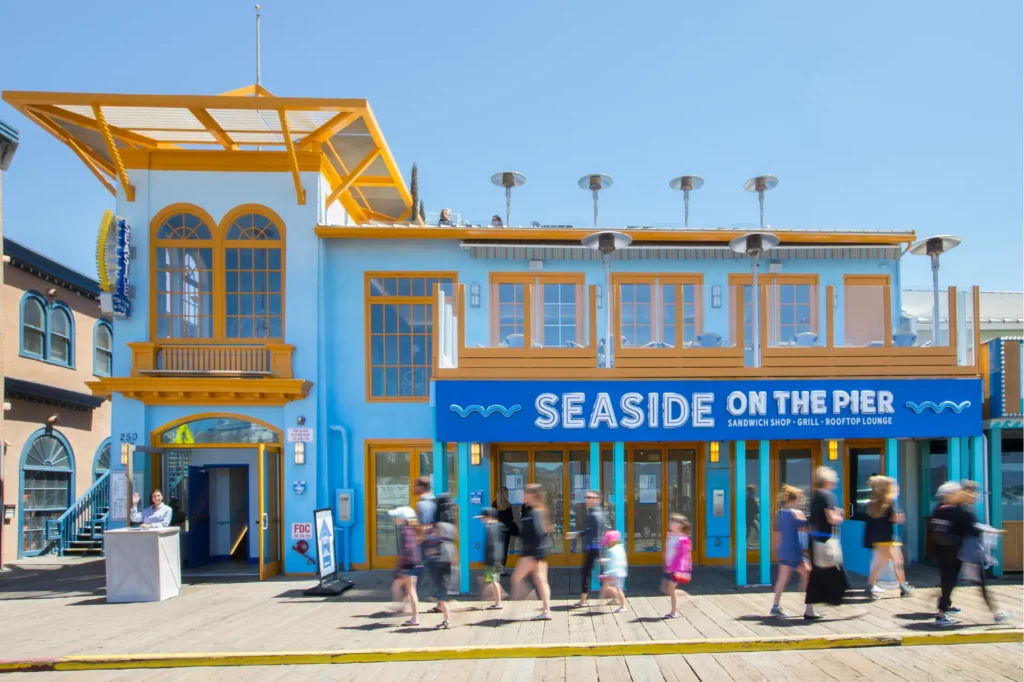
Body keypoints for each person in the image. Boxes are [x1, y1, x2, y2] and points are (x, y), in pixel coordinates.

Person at [931, 481, 1007, 626]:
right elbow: (972, 529)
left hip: (944, 551)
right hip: (960, 551)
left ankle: (942, 611)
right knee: (960, 582)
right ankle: (942, 614)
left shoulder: (939, 509)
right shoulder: (960, 511)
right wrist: (989, 531)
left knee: (949, 582)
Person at [804, 466, 849, 619]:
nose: (836, 481)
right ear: (827, 481)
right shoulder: (828, 496)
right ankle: (838, 604)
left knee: (817, 575)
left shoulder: (816, 495)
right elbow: (832, 519)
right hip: (825, 540)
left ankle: (810, 609)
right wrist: (840, 516)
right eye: (834, 478)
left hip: (815, 539)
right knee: (837, 574)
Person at [864, 476, 913, 599]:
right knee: (898, 562)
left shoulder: (873, 503)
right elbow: (898, 519)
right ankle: (903, 588)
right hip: (889, 537)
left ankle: (871, 587)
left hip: (878, 537)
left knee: (879, 563)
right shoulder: (891, 501)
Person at [511, 483, 553, 620]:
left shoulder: (534, 513)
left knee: (516, 579)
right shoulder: (540, 510)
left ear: (533, 495)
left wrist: (530, 553)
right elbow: (546, 531)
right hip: (540, 553)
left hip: (531, 554)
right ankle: (546, 611)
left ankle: (524, 603)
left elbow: (537, 533)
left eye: (526, 493)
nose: (523, 496)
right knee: (542, 581)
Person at [770, 485, 810, 617]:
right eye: (800, 500)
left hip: (783, 550)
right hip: (793, 550)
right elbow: (805, 529)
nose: (801, 503)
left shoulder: (779, 513)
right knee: (808, 574)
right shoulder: (796, 513)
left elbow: (778, 535)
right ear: (794, 499)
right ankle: (808, 606)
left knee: (782, 579)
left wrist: (777, 550)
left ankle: (775, 606)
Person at [570, 490, 605, 608]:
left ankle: (583, 600)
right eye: (587, 497)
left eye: (591, 497)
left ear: (596, 500)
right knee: (596, 573)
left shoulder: (594, 514)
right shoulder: (595, 513)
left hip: (593, 548)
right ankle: (615, 597)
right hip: (594, 548)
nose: (587, 499)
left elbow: (595, 532)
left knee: (585, 572)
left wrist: (578, 534)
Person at [388, 506, 422, 626]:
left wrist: (403, 567)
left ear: (402, 518)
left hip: (409, 565)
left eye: (396, 517)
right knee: (408, 589)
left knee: (411, 591)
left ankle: (414, 617)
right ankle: (404, 608)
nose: (394, 519)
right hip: (414, 563)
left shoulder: (406, 531)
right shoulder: (412, 529)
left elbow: (408, 550)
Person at [422, 517, 457, 629]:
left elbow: (442, 562)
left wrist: (432, 558)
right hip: (445, 577)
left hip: (441, 578)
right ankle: (446, 620)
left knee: (442, 600)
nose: (435, 533)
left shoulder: (442, 545)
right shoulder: (450, 545)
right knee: (442, 599)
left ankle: (447, 621)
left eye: (436, 531)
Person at [661, 514, 692, 619]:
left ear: (680, 525)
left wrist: (676, 567)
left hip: (677, 568)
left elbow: (683, 555)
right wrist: (665, 563)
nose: (670, 523)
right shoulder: (669, 535)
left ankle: (674, 612)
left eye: (673, 522)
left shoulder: (683, 538)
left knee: (670, 588)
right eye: (671, 521)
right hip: (670, 566)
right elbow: (666, 550)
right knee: (668, 589)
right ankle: (680, 599)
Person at [477, 507, 505, 610]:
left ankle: (499, 601)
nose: (482, 519)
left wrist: (488, 559)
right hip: (497, 557)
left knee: (493, 580)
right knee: (492, 579)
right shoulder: (498, 527)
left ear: (488, 517)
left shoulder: (490, 528)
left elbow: (490, 544)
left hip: (491, 559)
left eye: (483, 517)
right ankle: (498, 598)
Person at [599, 530, 628, 613]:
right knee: (615, 588)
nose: (606, 544)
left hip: (614, 573)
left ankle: (622, 605)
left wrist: (606, 574)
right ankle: (617, 600)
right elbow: (617, 560)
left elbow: (612, 563)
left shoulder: (611, 551)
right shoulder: (620, 548)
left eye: (607, 542)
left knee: (609, 588)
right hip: (620, 571)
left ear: (612, 542)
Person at [493, 487, 519, 573]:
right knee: (504, 549)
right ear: (504, 494)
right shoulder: (507, 505)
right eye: (507, 493)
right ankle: (502, 570)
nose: (508, 494)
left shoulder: (494, 504)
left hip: (496, 530)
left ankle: (495, 572)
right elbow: (511, 518)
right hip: (505, 530)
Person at [746, 485, 760, 549]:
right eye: (753, 489)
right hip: (749, 517)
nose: (755, 491)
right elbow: (751, 508)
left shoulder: (749, 497)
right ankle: (745, 544)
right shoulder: (749, 498)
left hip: (750, 517)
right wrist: (755, 515)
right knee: (752, 530)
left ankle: (746, 543)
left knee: (751, 530)